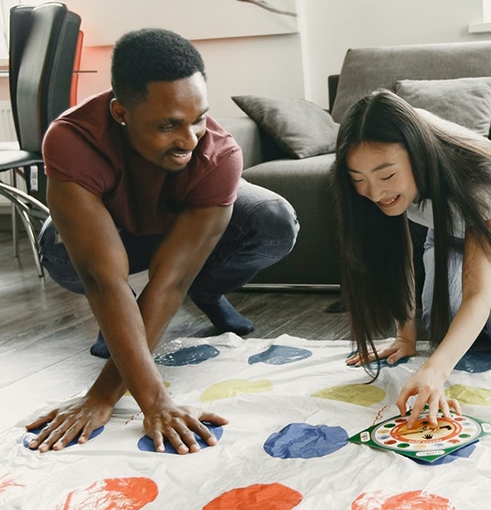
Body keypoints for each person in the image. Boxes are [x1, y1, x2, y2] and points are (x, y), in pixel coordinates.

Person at [28, 28, 298, 454]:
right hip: (109, 239)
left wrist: (127, 393)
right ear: (121, 112)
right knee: (59, 252)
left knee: (274, 218)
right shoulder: (71, 140)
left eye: (198, 119)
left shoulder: (218, 153)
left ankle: (207, 291)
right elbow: (105, 279)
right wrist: (135, 399)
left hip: (178, 233)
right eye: (169, 125)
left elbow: (169, 282)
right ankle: (121, 326)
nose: (189, 140)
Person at [334, 89, 491, 423]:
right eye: (359, 181)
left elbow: (477, 294)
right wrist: (405, 335)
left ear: (417, 154)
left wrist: (435, 372)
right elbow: (397, 248)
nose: (376, 193)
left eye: (387, 176)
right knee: (443, 323)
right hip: (447, 236)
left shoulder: (476, 171)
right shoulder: (378, 163)